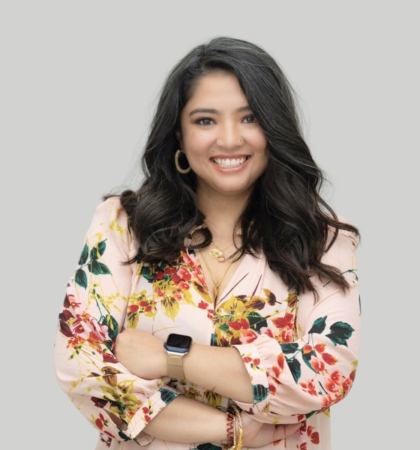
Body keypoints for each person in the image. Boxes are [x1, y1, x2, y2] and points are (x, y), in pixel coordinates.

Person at [54, 36, 361, 450]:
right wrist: (234, 431)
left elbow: (327, 373)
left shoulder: (323, 239)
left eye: (250, 118)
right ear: (178, 135)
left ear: (274, 127)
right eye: (205, 120)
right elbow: (82, 365)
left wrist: (170, 357)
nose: (230, 140)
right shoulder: (123, 226)